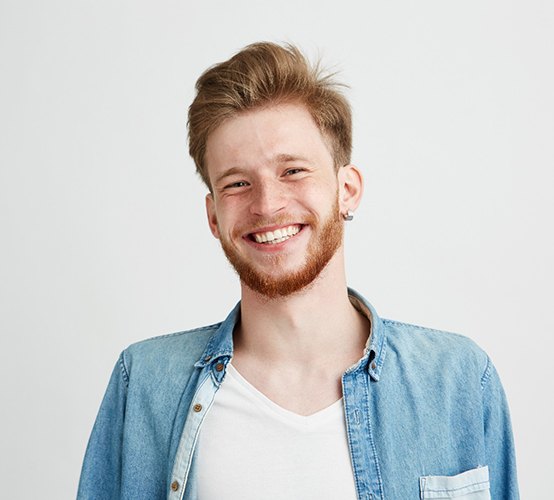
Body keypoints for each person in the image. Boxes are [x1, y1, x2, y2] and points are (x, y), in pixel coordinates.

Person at [77, 42, 519, 500]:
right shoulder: (145, 384)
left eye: (292, 171)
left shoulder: (457, 381)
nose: (267, 204)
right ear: (213, 216)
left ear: (347, 190)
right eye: (237, 183)